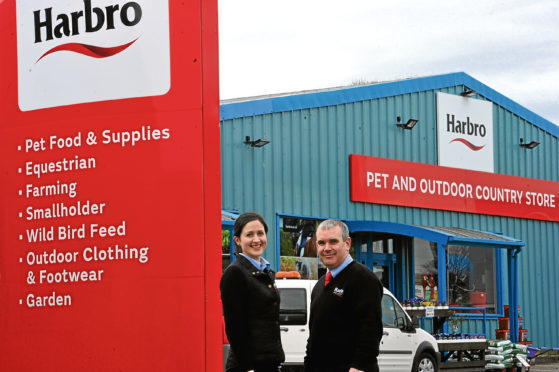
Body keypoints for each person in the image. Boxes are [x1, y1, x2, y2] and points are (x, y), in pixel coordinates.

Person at [304, 220, 383, 372]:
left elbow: (370, 332)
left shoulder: (364, 279)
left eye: (333, 241)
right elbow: (314, 335)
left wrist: (358, 367)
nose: (327, 248)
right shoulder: (320, 285)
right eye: (321, 243)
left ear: (347, 243)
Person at [220, 212, 285, 372]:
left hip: (269, 362)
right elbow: (235, 328)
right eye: (249, 234)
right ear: (237, 240)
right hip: (249, 366)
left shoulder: (266, 272)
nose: (256, 240)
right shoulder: (235, 273)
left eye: (260, 233)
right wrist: (248, 368)